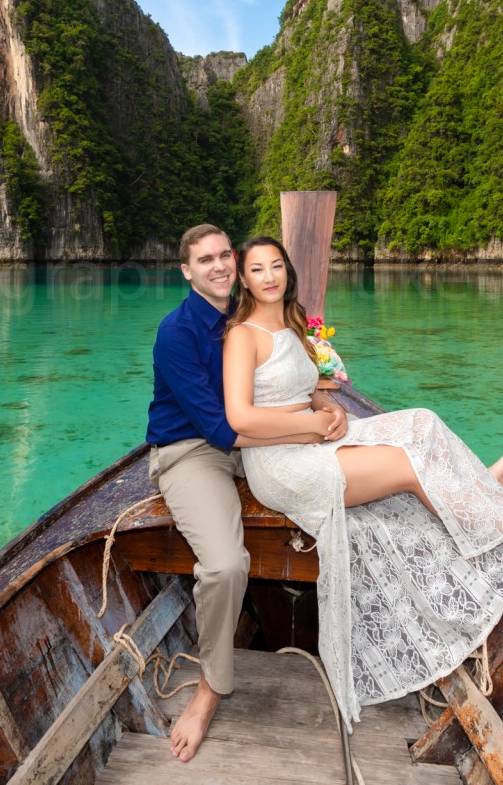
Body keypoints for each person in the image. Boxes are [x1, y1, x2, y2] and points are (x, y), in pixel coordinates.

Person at [222, 236, 503, 729]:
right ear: (245, 279)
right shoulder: (243, 335)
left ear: (287, 271)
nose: (269, 276)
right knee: (405, 465)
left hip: (312, 438)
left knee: (422, 421)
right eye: (257, 269)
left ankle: (483, 497)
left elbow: (306, 392)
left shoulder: (292, 326)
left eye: (277, 266)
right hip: (281, 464)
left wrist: (328, 409)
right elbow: (240, 419)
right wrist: (310, 426)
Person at [145, 224, 350, 762]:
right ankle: (211, 686)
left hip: (258, 439)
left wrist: (322, 399)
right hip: (196, 449)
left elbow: (287, 369)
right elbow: (222, 430)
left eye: (223, 257)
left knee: (359, 478)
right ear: (186, 271)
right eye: (204, 260)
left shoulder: (252, 308)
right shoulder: (177, 332)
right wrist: (310, 426)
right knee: (225, 566)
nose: (218, 266)